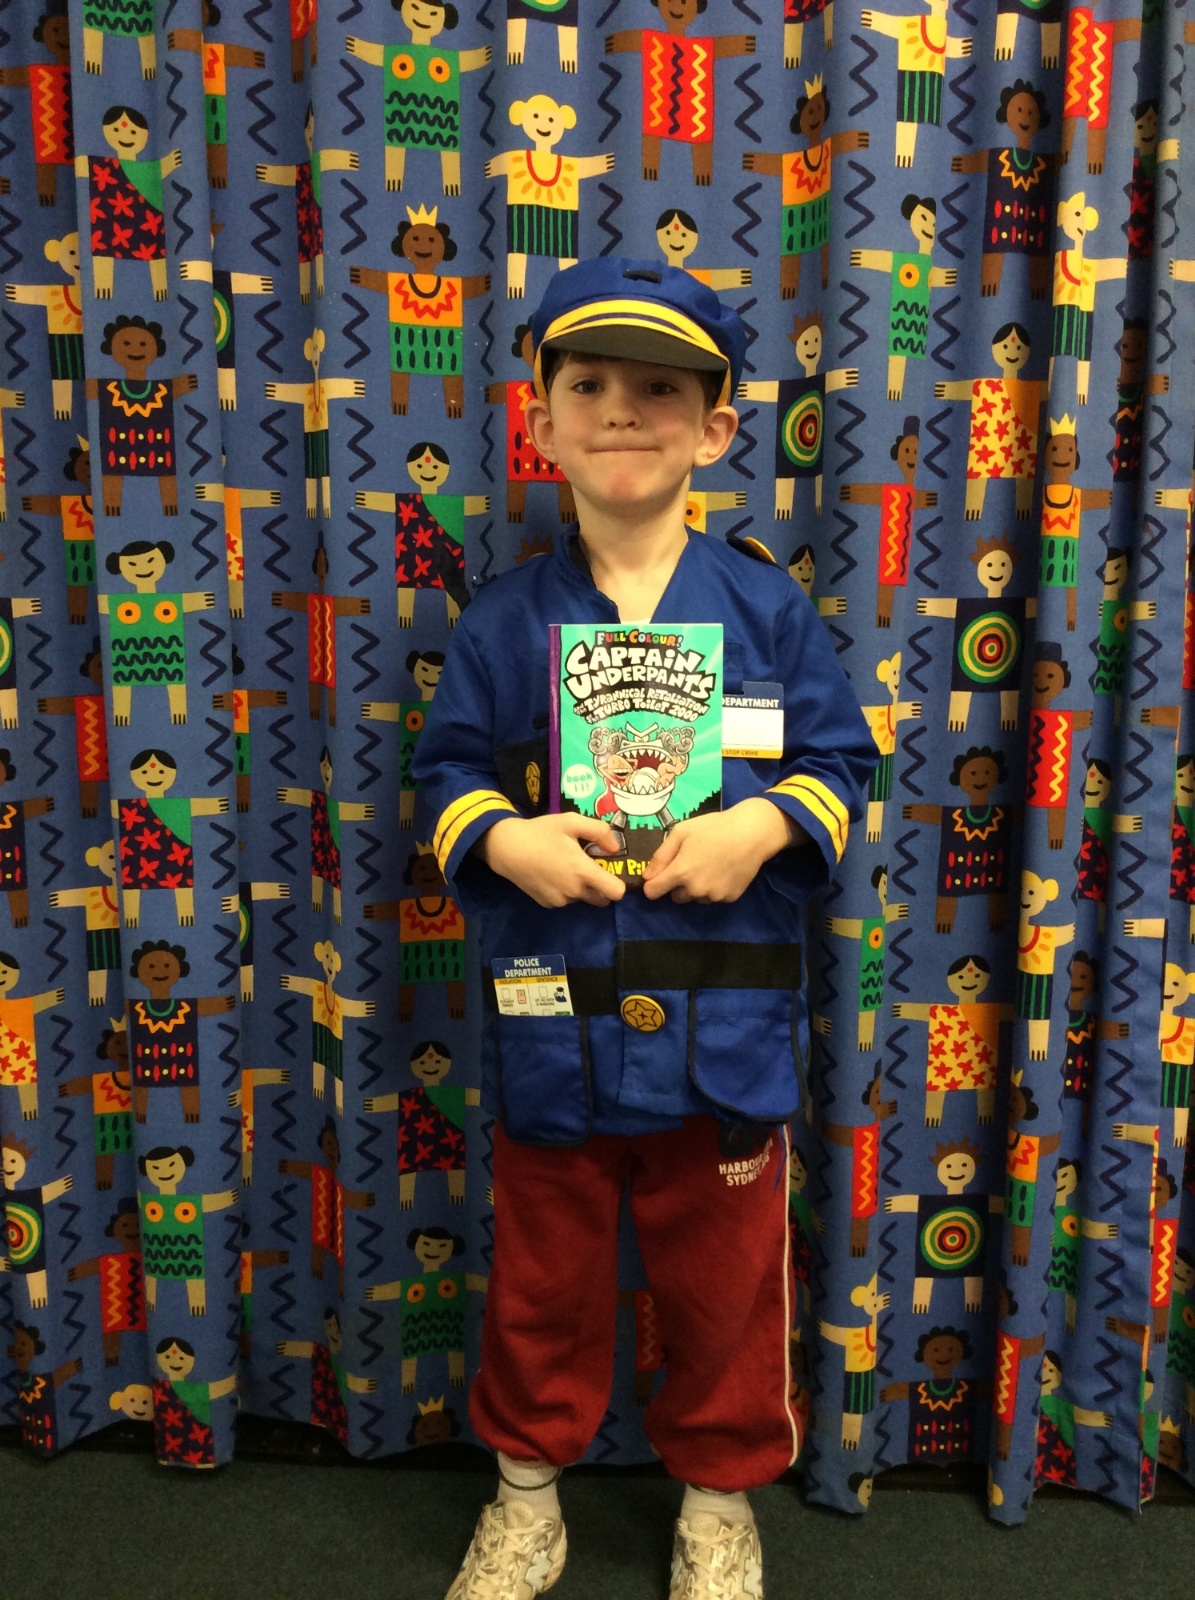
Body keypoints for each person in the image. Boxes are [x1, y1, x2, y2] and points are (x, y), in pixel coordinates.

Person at [413, 257, 877, 1600]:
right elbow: (445, 774)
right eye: (591, 385)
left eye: (660, 389)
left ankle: (720, 1503)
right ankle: (525, 1498)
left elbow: (843, 765)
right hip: (551, 1025)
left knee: (727, 1293)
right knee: (540, 1285)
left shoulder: (766, 610)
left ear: (716, 429)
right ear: (542, 421)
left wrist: (764, 825)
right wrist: (504, 838)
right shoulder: (503, 620)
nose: (623, 410)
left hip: (724, 1035)